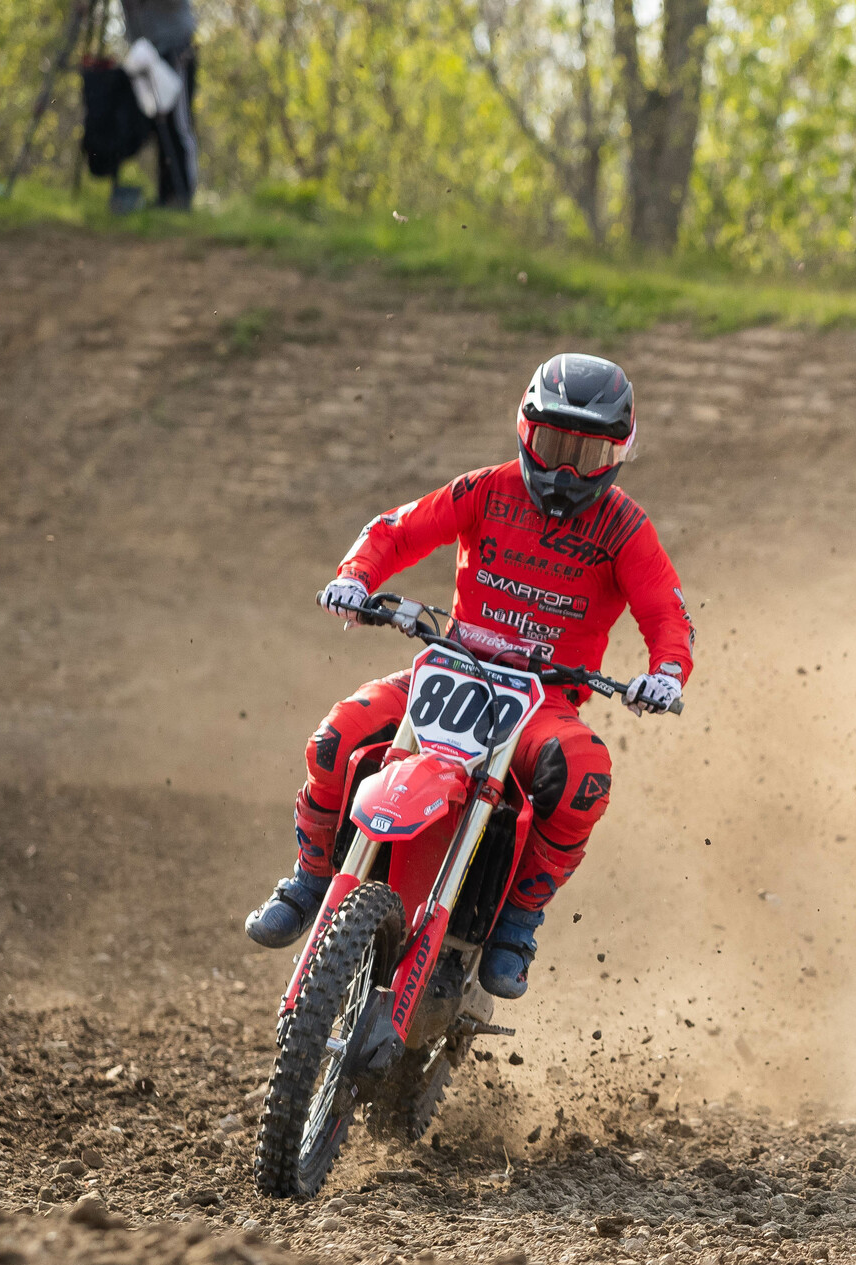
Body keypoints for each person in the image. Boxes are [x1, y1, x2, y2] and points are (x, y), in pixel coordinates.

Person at [244, 353, 695, 1000]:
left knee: (585, 776)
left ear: (619, 454)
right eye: (552, 444)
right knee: (336, 739)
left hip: (542, 705)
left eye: (586, 455)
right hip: (449, 673)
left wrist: (667, 673)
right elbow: (399, 530)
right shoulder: (488, 489)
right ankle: (311, 877)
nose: (565, 470)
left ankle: (517, 922)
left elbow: (665, 611)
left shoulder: (625, 529)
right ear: (524, 431)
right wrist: (355, 577)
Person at [120, 0, 197, 209]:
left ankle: (183, 195)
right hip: (143, 55)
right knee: (156, 126)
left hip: (175, 50)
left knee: (178, 125)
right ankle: (165, 196)